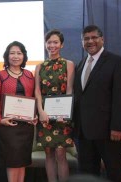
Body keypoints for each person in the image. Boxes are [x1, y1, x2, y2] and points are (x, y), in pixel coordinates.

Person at [73, 25, 121, 182]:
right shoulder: (81, 63)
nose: (90, 41)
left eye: (94, 37)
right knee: (88, 174)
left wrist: (117, 127)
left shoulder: (117, 61)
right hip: (84, 133)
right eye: (86, 39)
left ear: (102, 39)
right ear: (82, 42)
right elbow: (80, 97)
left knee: (113, 172)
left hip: (108, 132)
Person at [0, 41, 35, 182]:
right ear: (7, 56)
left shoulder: (29, 75)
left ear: (23, 56)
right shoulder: (0, 75)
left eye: (19, 53)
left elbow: (33, 98)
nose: (15, 56)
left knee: (22, 161)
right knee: (12, 161)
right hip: (8, 125)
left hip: (26, 126)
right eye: (12, 53)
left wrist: (34, 115)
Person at [34, 29, 75, 182]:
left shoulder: (68, 64)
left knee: (60, 154)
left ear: (61, 45)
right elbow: (37, 91)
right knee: (48, 153)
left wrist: (66, 113)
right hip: (45, 114)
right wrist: (41, 111)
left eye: (55, 42)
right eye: (49, 42)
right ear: (45, 44)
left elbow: (69, 90)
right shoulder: (40, 66)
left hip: (62, 115)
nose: (52, 45)